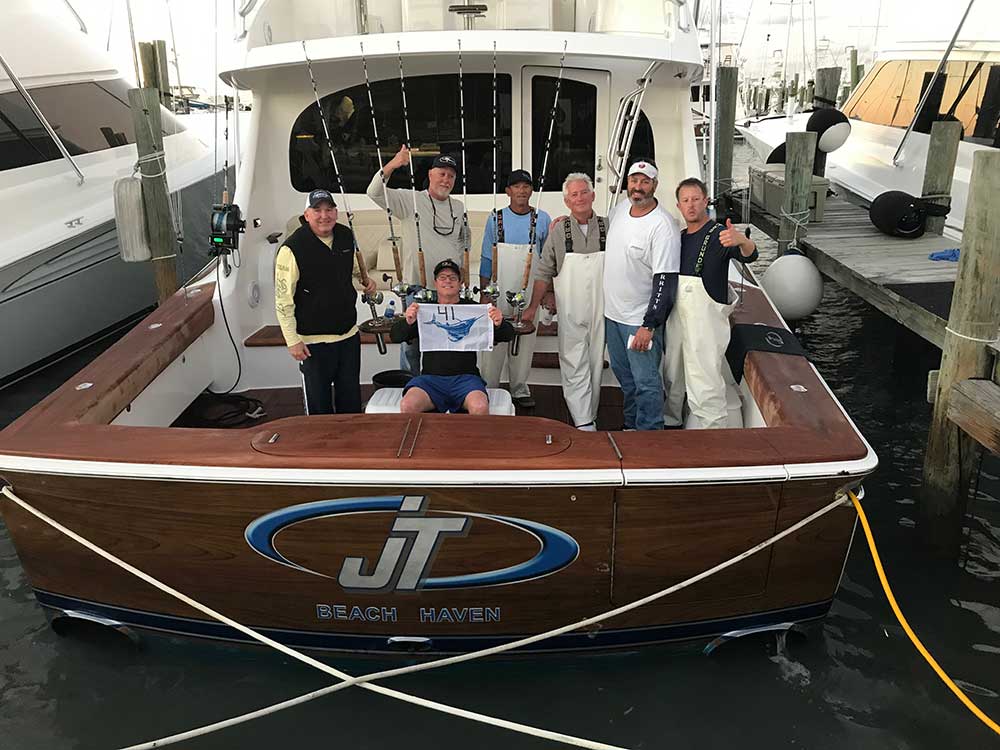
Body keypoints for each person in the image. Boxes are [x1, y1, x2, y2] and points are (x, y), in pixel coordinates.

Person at [665, 177, 758, 429]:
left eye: (696, 199)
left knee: (704, 380)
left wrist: (742, 241)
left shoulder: (721, 235)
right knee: (672, 376)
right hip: (677, 320)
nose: (691, 205)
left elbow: (751, 255)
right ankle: (671, 425)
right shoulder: (679, 238)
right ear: (678, 206)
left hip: (705, 324)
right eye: (685, 201)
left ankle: (714, 437)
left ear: (706, 201)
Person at [275, 189, 377, 415]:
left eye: (329, 209)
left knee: (350, 401)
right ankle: (319, 449)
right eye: (317, 210)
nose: (324, 215)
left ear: (336, 212)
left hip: (348, 336)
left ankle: (351, 445)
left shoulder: (344, 235)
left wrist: (365, 280)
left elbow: (348, 268)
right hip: (313, 342)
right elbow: (283, 300)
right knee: (318, 407)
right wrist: (292, 340)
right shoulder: (291, 249)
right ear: (307, 214)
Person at [368, 147, 469, 374]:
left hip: (448, 290)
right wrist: (394, 163)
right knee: (411, 346)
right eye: (441, 173)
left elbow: (463, 242)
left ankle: (438, 390)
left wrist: (462, 274)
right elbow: (374, 192)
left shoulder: (459, 207)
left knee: (445, 346)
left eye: (451, 175)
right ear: (430, 175)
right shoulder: (409, 200)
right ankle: (410, 387)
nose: (446, 179)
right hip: (416, 288)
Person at [524, 173, 607, 431]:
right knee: (573, 362)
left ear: (593, 196)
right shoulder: (559, 231)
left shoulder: (609, 225)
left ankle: (590, 412)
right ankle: (583, 420)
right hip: (571, 310)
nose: (580, 198)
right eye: (574, 194)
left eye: (584, 192)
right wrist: (533, 307)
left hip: (603, 309)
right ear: (566, 201)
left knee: (595, 362)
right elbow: (543, 272)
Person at [603, 160, 680, 431]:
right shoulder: (619, 211)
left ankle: (650, 436)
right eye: (634, 180)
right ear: (627, 183)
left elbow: (666, 283)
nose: (638, 187)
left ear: (655, 185)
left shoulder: (663, 226)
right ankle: (631, 427)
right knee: (625, 378)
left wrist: (649, 326)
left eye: (645, 181)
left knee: (646, 383)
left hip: (639, 321)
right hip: (612, 316)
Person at [390, 259, 514, 415]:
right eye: (442, 277)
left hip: (467, 379)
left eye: (453, 277)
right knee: (408, 405)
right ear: (435, 283)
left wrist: (499, 323)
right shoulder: (424, 311)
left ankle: (476, 440)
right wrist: (408, 322)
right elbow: (395, 335)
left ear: (460, 283)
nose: (447, 280)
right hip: (430, 379)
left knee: (480, 407)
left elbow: (508, 334)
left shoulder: (475, 309)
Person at [478, 169, 551, 408]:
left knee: (525, 342)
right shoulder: (495, 218)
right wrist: (485, 294)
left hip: (530, 289)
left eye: (526, 186)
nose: (522, 191)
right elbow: (487, 258)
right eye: (516, 186)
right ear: (508, 191)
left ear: (532, 190)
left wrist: (542, 296)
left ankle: (520, 388)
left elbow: (548, 262)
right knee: (494, 341)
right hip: (499, 286)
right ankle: (489, 387)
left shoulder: (543, 219)